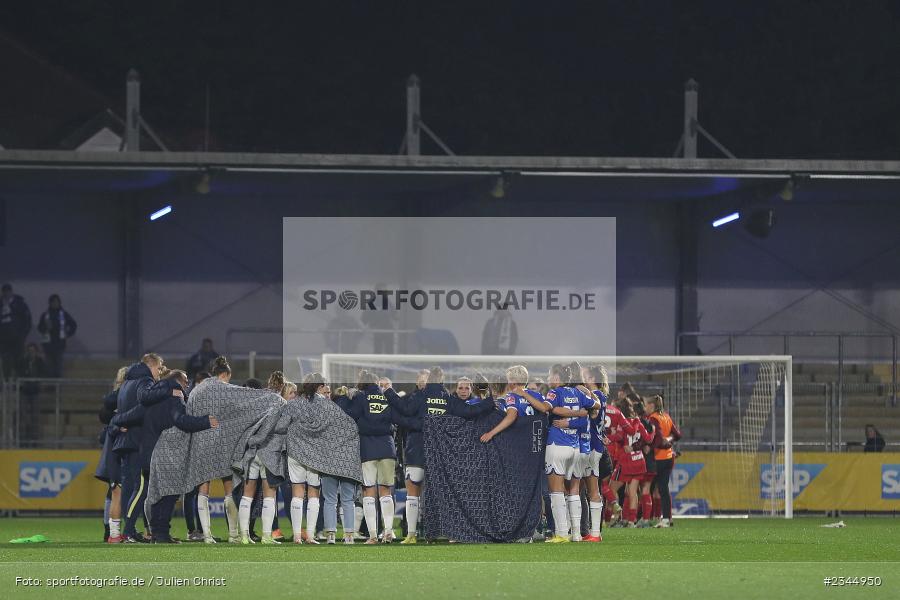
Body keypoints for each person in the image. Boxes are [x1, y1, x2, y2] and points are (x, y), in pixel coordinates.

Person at [112, 370, 217, 543]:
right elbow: (180, 420)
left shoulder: (149, 402)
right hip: (165, 454)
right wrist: (205, 422)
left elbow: (125, 417)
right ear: (176, 382)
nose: (187, 385)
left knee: (154, 495)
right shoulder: (174, 397)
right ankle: (160, 534)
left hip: (145, 455)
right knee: (168, 494)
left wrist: (117, 423)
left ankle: (156, 532)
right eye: (184, 381)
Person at [114, 353, 166, 542]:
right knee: (141, 487)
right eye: (160, 368)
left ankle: (129, 530)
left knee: (129, 487)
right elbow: (145, 406)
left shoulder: (126, 383)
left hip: (125, 441)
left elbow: (115, 407)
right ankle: (128, 531)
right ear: (152, 366)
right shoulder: (144, 381)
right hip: (139, 441)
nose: (160, 372)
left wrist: (119, 420)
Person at [543, 363, 597, 542]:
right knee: (573, 490)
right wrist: (581, 412)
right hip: (575, 447)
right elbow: (594, 407)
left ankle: (561, 533)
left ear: (557, 378)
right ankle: (576, 534)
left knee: (556, 491)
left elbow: (547, 408)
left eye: (550, 375)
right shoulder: (579, 393)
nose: (548, 379)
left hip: (557, 444)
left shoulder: (554, 393)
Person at [349, 369, 402, 544]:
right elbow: (396, 419)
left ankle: (372, 535)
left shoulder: (360, 397)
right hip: (387, 448)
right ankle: (388, 531)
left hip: (367, 448)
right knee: (386, 491)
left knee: (369, 491)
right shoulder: (387, 397)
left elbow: (351, 416)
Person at [196, 357, 241, 544]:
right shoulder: (229, 391)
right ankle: (233, 534)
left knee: (203, 488)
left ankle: (206, 535)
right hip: (225, 443)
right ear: (225, 375)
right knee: (229, 488)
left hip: (203, 441)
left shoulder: (200, 391)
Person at [96, 366, 128, 543]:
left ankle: (109, 529)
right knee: (116, 491)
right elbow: (106, 418)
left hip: (111, 446)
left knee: (112, 491)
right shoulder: (120, 398)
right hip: (118, 447)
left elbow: (102, 417)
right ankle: (112, 530)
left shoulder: (113, 398)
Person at [647, 395, 680, 528]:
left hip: (658, 458)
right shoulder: (666, 416)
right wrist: (669, 440)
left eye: (647, 405)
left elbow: (659, 440)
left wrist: (664, 442)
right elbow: (677, 435)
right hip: (669, 458)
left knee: (646, 489)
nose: (645, 408)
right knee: (663, 489)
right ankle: (666, 518)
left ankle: (644, 518)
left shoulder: (653, 418)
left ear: (652, 406)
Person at [36, 294, 77, 378]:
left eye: (56, 302)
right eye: (53, 302)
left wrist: (68, 334)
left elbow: (73, 325)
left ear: (59, 303)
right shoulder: (45, 315)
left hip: (59, 345)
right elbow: (40, 328)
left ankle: (57, 388)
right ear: (50, 303)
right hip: (48, 345)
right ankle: (50, 387)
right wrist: (45, 328)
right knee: (49, 367)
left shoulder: (64, 314)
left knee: (58, 367)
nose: (55, 304)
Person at [0, 283, 32, 380]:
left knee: (18, 361)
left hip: (17, 339)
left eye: (8, 291)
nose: (6, 293)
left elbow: (27, 321)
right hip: (3, 340)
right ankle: (6, 383)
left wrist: (22, 335)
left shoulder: (20, 304)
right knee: (6, 361)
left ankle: (18, 383)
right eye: (4, 291)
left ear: (11, 292)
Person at [17, 343, 46, 443]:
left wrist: (38, 383)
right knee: (23, 417)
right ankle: (23, 441)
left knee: (35, 417)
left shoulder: (40, 362)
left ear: (36, 352)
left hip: (35, 392)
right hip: (24, 392)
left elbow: (44, 374)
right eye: (29, 351)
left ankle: (35, 441)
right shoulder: (22, 361)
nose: (31, 353)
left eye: (33, 351)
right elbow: (18, 373)